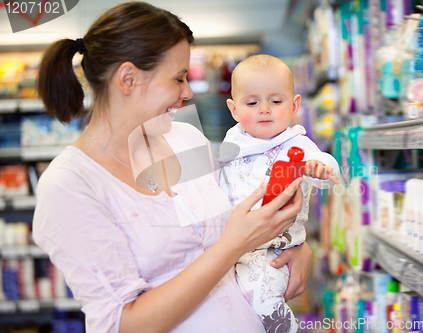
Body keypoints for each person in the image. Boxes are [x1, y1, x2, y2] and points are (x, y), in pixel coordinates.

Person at [32, 2, 313, 333]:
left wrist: (297, 246)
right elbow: (123, 323)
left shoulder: (185, 139)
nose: (188, 92)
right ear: (128, 78)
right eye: (179, 78)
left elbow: (238, 214)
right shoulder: (71, 185)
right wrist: (232, 245)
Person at [219, 55, 340, 333]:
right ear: (234, 109)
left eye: (275, 101)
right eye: (252, 103)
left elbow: (327, 167)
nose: (264, 109)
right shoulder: (232, 141)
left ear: (294, 105)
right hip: (232, 247)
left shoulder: (296, 143)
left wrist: (318, 168)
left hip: (273, 249)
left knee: (263, 303)